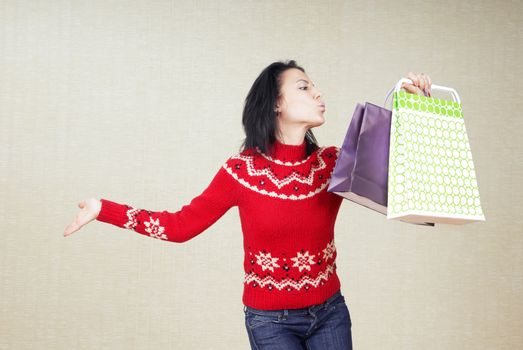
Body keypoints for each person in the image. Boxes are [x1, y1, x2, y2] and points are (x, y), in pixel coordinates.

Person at [63, 60, 432, 349]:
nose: (319, 94)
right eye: (304, 87)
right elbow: (179, 227)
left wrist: (412, 109)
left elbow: (401, 180)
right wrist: (103, 209)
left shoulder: (332, 165)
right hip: (270, 322)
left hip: (330, 312)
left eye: (316, 87)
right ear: (275, 103)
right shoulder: (241, 171)